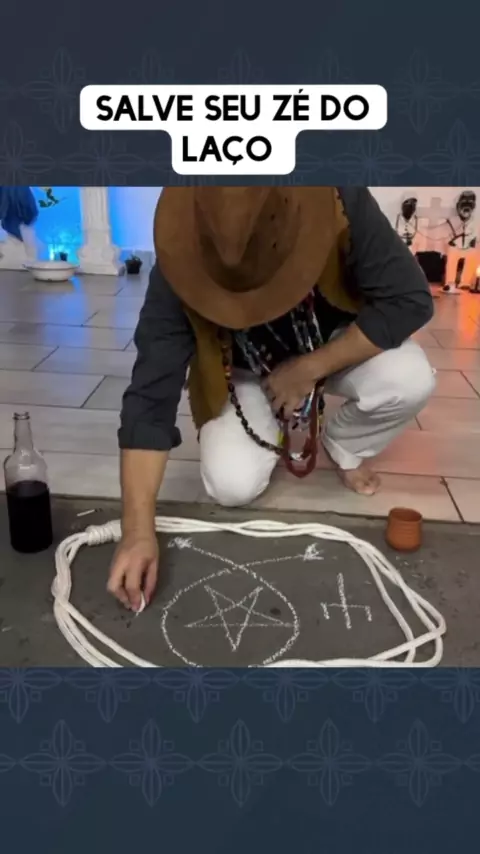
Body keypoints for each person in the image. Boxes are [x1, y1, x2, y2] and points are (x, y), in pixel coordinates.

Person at [107, 186, 435, 611]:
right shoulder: (181, 245)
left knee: (410, 378)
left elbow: (409, 300)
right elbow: (151, 395)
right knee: (231, 485)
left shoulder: (340, 197)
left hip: (331, 342)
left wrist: (309, 368)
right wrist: (136, 531)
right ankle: (271, 422)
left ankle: (345, 443)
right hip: (241, 363)